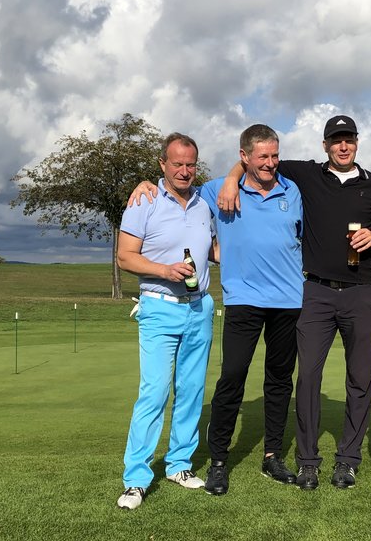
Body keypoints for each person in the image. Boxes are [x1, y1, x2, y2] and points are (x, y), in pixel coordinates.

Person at [130, 124, 304, 496]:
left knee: (279, 381)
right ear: (244, 157)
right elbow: (177, 189)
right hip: (242, 300)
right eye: (262, 156)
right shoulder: (215, 190)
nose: (270, 163)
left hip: (289, 300)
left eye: (275, 155)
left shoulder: (292, 190)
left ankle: (272, 456)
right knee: (232, 378)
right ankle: (219, 462)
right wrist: (146, 183)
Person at [216, 114, 371, 491]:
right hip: (315, 293)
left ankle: (348, 460)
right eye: (336, 140)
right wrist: (230, 179)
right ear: (325, 145)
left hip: (361, 292)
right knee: (307, 378)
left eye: (349, 139)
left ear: (357, 142)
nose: (343, 146)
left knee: (360, 379)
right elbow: (256, 162)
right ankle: (308, 462)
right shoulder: (305, 175)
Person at [115, 133, 216, 511]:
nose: (185, 171)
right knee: (154, 393)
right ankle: (136, 479)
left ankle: (179, 465)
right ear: (162, 164)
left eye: (191, 164)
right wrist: (164, 270)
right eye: (177, 164)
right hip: (159, 307)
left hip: (200, 307)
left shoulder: (204, 203)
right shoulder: (145, 200)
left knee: (191, 391)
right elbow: (125, 256)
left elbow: (214, 249)